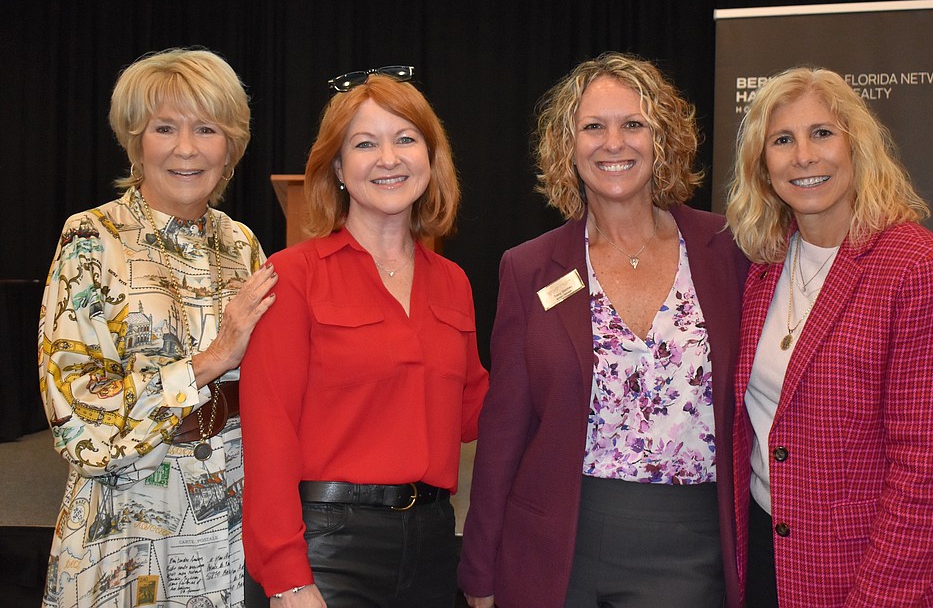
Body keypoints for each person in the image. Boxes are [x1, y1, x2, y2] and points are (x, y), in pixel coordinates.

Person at [458, 52, 749, 608]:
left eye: (633, 124)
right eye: (593, 126)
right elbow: (504, 432)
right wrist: (479, 569)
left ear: (662, 138)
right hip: (557, 549)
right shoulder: (529, 268)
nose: (613, 142)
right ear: (568, 147)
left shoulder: (728, 251)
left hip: (691, 546)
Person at [240, 66, 489, 608]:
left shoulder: (453, 283)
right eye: (365, 143)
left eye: (406, 139)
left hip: (430, 544)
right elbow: (269, 435)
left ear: (431, 157)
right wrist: (287, 578)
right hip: (327, 550)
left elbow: (476, 412)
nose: (389, 158)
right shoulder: (294, 276)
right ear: (337, 166)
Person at [724, 66, 933, 607]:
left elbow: (923, 472)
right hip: (771, 555)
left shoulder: (920, 269)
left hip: (876, 571)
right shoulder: (763, 264)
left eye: (822, 133)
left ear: (857, 147)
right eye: (782, 140)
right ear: (762, 167)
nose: (804, 156)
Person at [38, 47, 278, 608]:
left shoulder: (242, 244)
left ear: (232, 146)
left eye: (207, 128)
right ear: (135, 141)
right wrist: (212, 359)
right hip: (127, 525)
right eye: (164, 127)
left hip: (232, 516)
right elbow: (76, 415)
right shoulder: (91, 239)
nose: (186, 148)